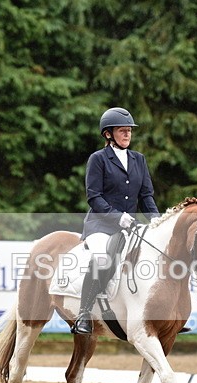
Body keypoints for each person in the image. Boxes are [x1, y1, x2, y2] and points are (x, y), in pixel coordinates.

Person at [71, 107, 161, 335]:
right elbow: (94, 197)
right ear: (108, 134)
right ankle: (84, 313)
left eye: (129, 130)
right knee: (102, 258)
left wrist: (157, 222)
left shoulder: (139, 159)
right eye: (122, 131)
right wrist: (118, 217)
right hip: (101, 225)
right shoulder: (98, 159)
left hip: (129, 228)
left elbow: (146, 197)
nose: (127, 134)